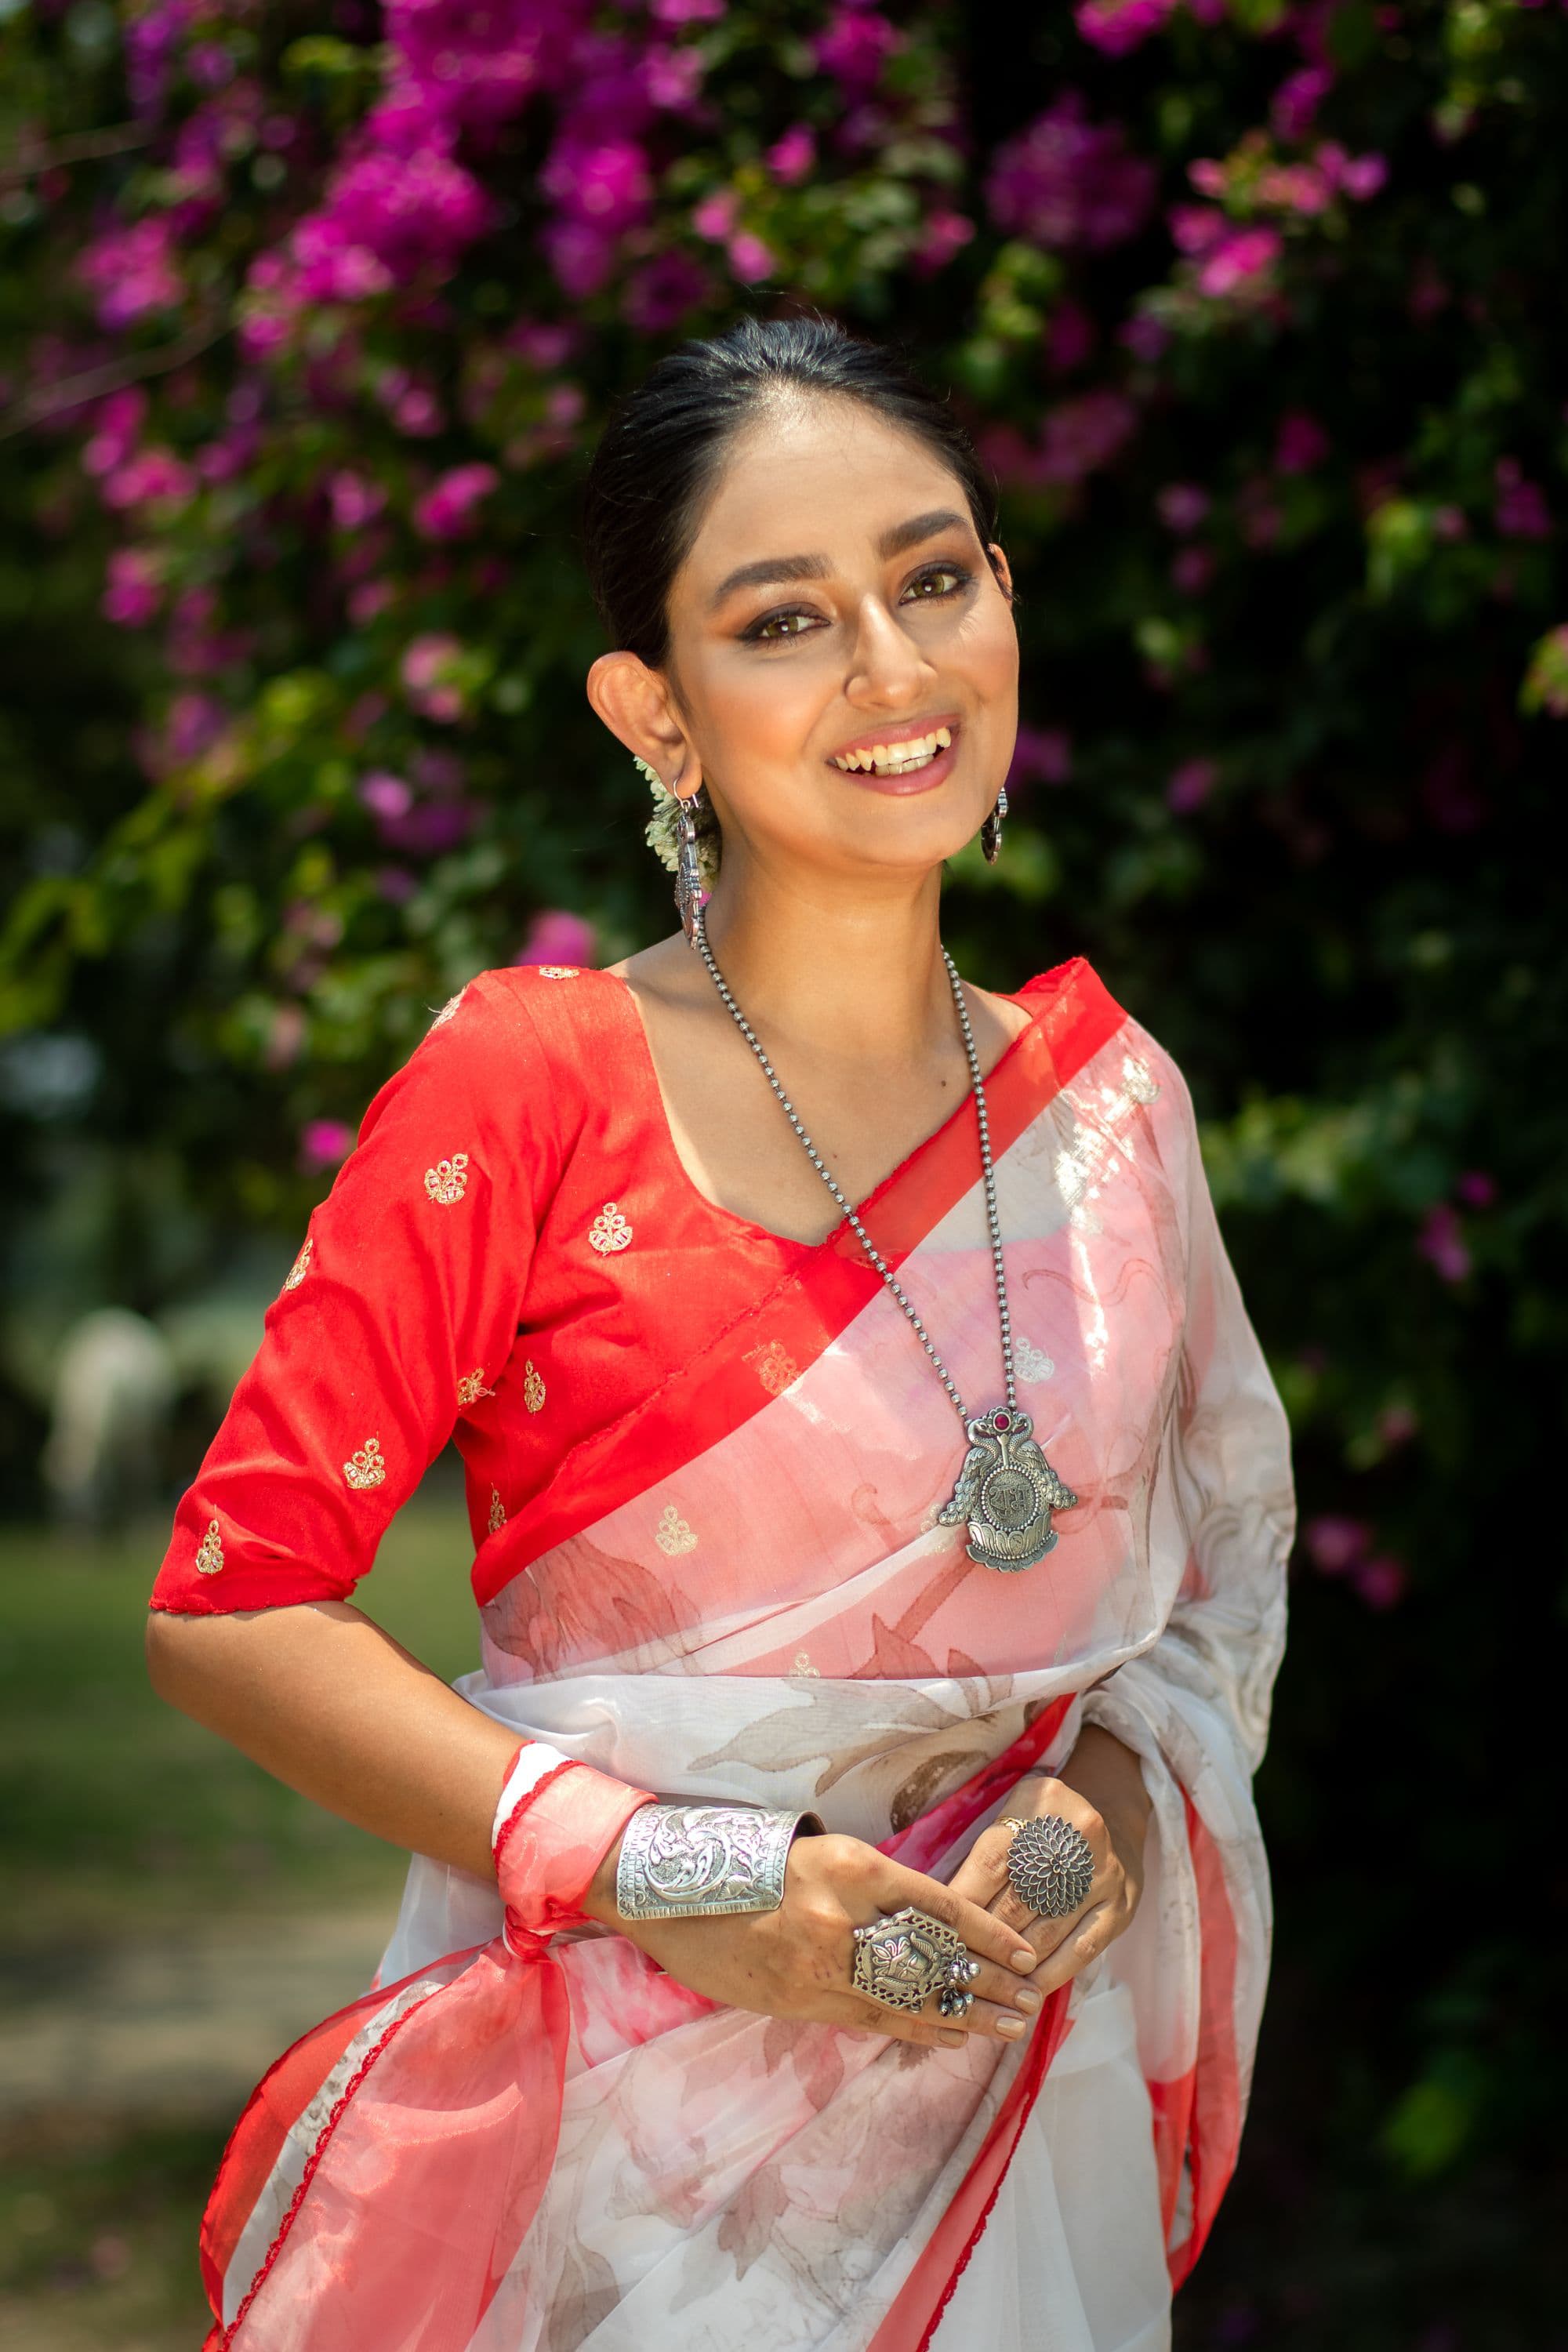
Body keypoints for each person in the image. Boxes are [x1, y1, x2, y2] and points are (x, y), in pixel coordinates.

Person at [147, 315, 1294, 2352]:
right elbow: (234, 1607)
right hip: (632, 2181)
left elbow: (1208, 1595)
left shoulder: (1121, 1115)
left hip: (1031, 2114)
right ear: (654, 712)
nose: (890, 667)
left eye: (933, 578)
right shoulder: (532, 1084)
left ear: (1004, 599)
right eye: (783, 620)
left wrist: (1100, 1813)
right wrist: (690, 1871)